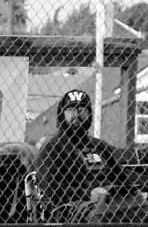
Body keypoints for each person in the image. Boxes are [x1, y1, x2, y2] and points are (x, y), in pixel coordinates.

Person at [34, 89, 126, 219]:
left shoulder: (98, 145)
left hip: (110, 201)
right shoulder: (52, 147)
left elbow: (121, 176)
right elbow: (49, 186)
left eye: (82, 109)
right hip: (71, 207)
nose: (76, 114)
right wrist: (88, 194)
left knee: (147, 208)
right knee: (102, 215)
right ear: (62, 114)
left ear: (89, 114)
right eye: (70, 109)